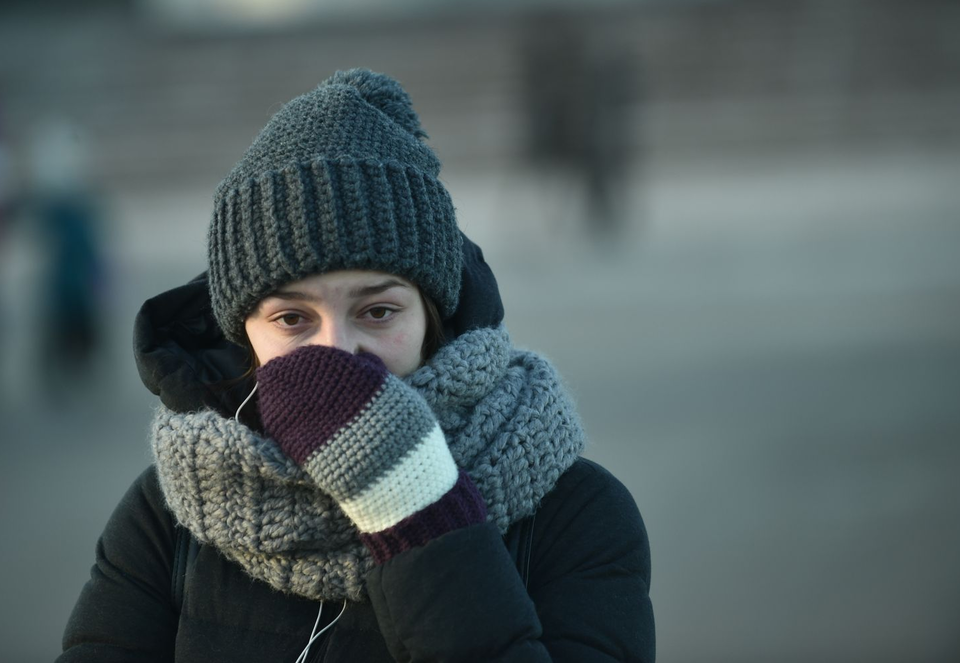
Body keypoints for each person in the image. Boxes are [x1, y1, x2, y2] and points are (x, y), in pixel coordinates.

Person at [57, 69, 655, 662]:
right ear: (244, 333)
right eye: (292, 319)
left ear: (432, 315)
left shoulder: (577, 514)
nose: (338, 351)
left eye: (377, 311)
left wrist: (420, 512)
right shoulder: (172, 514)